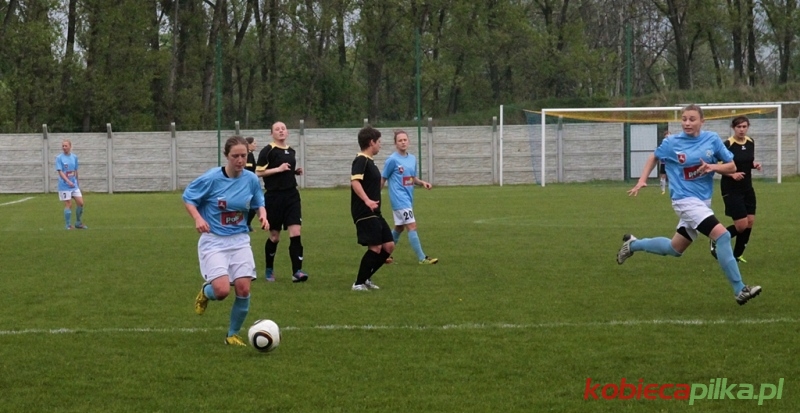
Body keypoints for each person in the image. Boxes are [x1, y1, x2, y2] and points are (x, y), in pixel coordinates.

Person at [616, 104, 761, 306]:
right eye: (684, 119)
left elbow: (732, 167)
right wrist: (642, 180)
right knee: (723, 235)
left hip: (703, 202)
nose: (687, 123)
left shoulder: (712, 139)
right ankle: (740, 289)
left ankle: (633, 244)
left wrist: (712, 167)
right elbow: (654, 156)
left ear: (702, 121)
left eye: (692, 119)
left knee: (675, 248)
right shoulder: (672, 142)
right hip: (684, 200)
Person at [184, 136, 268, 346]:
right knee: (221, 291)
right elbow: (188, 198)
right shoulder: (212, 178)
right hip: (214, 240)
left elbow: (259, 201)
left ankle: (232, 334)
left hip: (240, 240)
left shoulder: (250, 179)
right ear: (226, 156)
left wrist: (263, 215)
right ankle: (206, 292)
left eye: (244, 156)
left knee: (244, 289)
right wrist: (198, 218)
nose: (240, 160)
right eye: (235, 156)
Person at [255, 122, 308, 283]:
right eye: (277, 129)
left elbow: (286, 170)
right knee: (274, 237)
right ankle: (269, 269)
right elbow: (258, 172)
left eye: (283, 129)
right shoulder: (268, 150)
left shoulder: (291, 150)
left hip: (292, 195)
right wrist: (278, 169)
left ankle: (297, 271)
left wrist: (294, 172)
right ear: (271, 133)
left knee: (296, 233)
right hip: (274, 197)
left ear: (287, 132)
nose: (281, 131)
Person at [380, 130, 438, 265]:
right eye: (400, 140)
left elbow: (411, 178)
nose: (403, 142)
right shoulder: (392, 160)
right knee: (412, 226)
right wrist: (375, 195)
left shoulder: (412, 159)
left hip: (408, 198)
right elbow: (383, 178)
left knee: (399, 228)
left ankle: (382, 256)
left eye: (405, 140)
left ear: (409, 142)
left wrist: (422, 183)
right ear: (395, 143)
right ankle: (422, 258)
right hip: (399, 199)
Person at [710, 116, 762, 263]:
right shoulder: (727, 144)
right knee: (741, 225)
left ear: (748, 127)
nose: (742, 129)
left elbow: (747, 161)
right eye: (739, 127)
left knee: (750, 221)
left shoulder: (750, 142)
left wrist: (754, 165)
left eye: (744, 126)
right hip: (731, 189)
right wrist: (732, 174)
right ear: (733, 128)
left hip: (747, 188)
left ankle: (737, 255)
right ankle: (716, 238)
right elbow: (718, 167)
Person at [350, 125, 395, 291]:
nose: (380, 145)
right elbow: (355, 182)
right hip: (364, 211)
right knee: (375, 247)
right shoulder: (361, 160)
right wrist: (367, 200)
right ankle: (358, 283)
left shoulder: (370, 162)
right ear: (371, 142)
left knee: (388, 245)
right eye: (379, 142)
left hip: (375, 211)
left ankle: (366, 277)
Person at [55, 139, 87, 230]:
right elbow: (60, 172)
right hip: (64, 185)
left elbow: (75, 170)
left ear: (70, 146)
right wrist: (68, 181)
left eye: (66, 146)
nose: (64, 147)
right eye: (63, 146)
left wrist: (77, 182)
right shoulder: (59, 158)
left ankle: (78, 223)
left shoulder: (74, 157)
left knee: (80, 203)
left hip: (74, 185)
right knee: (68, 204)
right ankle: (68, 225)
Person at [245, 136, 258, 232]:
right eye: (254, 143)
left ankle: (246, 223)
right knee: (255, 204)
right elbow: (249, 170)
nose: (255, 145)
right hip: (248, 184)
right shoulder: (249, 155)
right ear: (248, 145)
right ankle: (246, 223)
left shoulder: (249, 154)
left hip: (248, 184)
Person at [659, 130, 670, 195]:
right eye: (667, 135)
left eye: (669, 135)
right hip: (664, 163)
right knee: (663, 176)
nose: (668, 136)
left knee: (671, 176)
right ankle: (663, 190)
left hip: (670, 163)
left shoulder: (672, 144)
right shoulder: (663, 143)